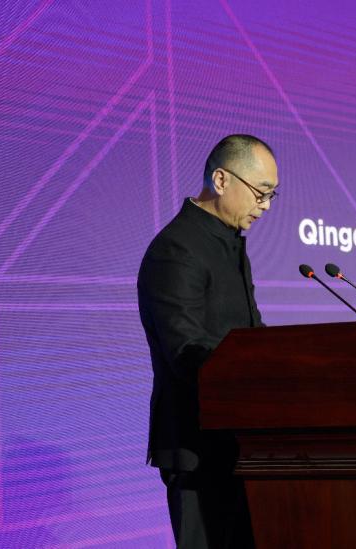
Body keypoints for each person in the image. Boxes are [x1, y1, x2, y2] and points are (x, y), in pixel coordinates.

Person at [137, 134, 278, 548]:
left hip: (242, 440)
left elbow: (249, 337)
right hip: (197, 446)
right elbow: (186, 352)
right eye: (261, 193)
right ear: (221, 180)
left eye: (272, 195)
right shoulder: (176, 250)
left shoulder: (229, 244)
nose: (266, 206)